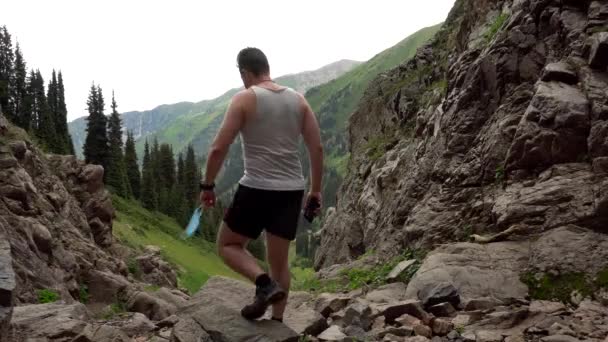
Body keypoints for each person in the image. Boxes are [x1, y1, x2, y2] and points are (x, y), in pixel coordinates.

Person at [199, 47, 324, 322]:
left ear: (244, 72)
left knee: (228, 245)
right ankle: (277, 322)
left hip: (256, 187)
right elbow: (317, 148)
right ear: (267, 67)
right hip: (291, 190)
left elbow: (218, 148)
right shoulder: (299, 101)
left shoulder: (245, 98)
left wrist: (207, 186)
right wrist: (315, 191)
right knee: (280, 263)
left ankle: (263, 284)